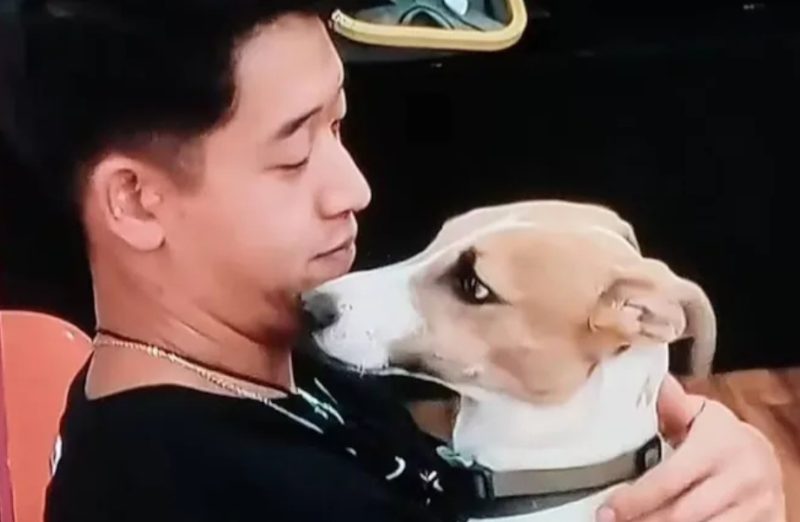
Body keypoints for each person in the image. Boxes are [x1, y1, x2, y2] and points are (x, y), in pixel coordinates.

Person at [0, 1, 784, 521]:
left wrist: (715, 468)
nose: (355, 189)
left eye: (339, 128)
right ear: (137, 201)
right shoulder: (187, 490)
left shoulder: (276, 354)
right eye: (293, 154)